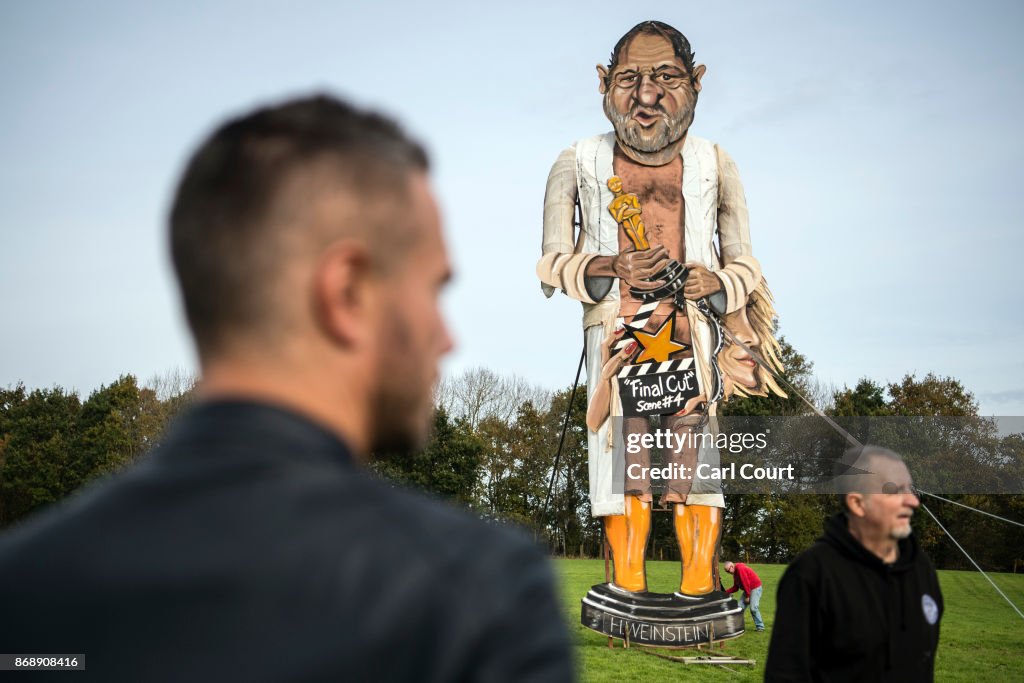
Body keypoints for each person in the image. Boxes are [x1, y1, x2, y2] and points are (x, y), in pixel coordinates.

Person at [0, 95, 573, 682]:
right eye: (432, 289)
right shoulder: (475, 597)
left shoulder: (20, 590)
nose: (447, 338)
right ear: (346, 293)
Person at [537, 20, 783, 597]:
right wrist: (609, 267)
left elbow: (747, 266)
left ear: (696, 82)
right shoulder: (575, 162)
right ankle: (627, 596)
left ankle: (699, 596)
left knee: (695, 477)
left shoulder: (716, 163)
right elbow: (550, 263)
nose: (646, 97)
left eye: (666, 77)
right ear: (604, 84)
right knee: (624, 478)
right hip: (618, 344)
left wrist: (713, 281)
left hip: (693, 344)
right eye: (629, 79)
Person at [765, 446, 943, 682]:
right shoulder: (812, 574)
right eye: (894, 490)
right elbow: (786, 675)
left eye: (910, 489)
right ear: (858, 504)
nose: (912, 501)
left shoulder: (920, 568)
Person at [722, 561, 765, 631]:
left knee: (753, 608)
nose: (728, 572)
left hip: (755, 588)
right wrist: (725, 592)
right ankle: (737, 627)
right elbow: (735, 588)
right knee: (739, 608)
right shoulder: (735, 575)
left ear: (732, 566)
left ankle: (760, 627)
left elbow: (746, 582)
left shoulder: (740, 569)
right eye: (727, 572)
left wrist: (748, 596)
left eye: (728, 570)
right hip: (747, 589)